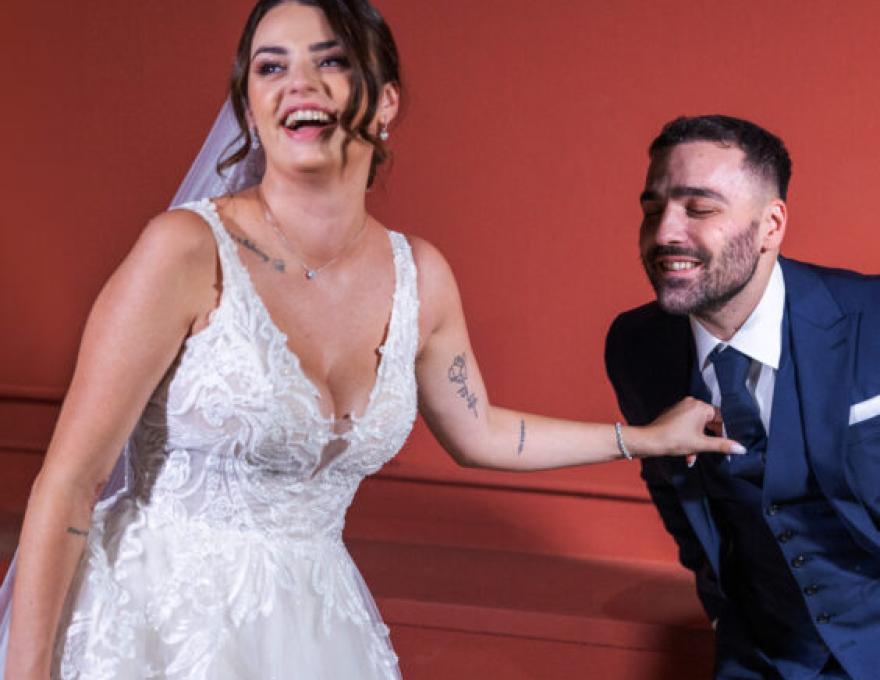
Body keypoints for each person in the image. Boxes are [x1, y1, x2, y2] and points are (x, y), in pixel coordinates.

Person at [0, 3, 739, 679]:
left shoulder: (420, 276)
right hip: (154, 629)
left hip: (317, 633)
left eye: (330, 60)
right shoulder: (185, 251)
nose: (298, 83)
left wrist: (644, 439)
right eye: (271, 66)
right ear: (250, 107)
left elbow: (479, 430)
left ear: (385, 101)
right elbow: (70, 480)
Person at [605, 114, 880, 679]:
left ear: (770, 225)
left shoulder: (872, 319)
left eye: (699, 209)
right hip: (760, 655)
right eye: (653, 209)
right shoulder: (637, 346)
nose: (664, 232)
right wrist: (721, 613)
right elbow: (673, 493)